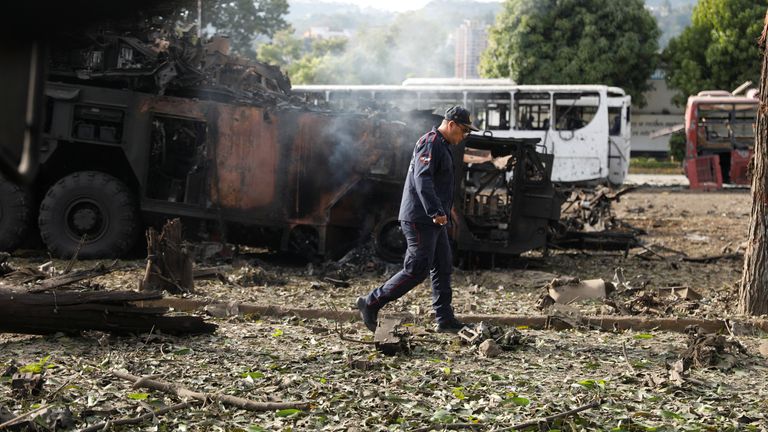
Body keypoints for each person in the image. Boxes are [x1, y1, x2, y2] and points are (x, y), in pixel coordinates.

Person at [356, 106, 479, 333]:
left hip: (433, 219)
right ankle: (371, 302)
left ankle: (444, 319)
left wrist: (443, 212)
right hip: (422, 218)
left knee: (442, 265)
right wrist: (435, 211)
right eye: (463, 131)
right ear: (451, 124)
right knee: (416, 270)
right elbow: (422, 179)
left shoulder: (442, 145)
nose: (464, 137)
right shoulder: (431, 142)